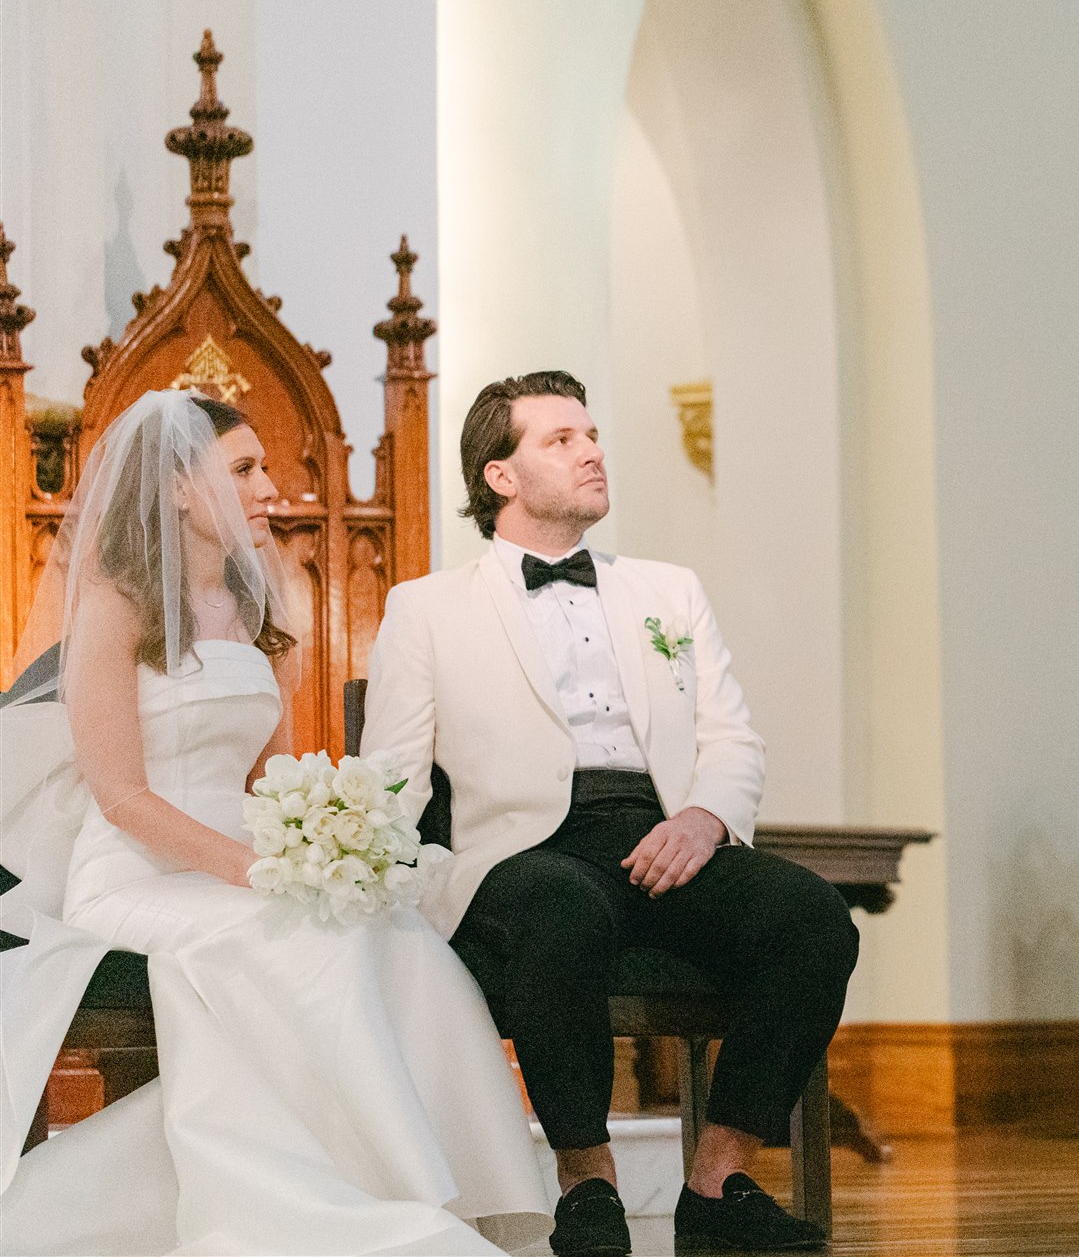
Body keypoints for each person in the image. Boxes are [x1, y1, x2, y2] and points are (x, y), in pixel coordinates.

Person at [0, 389, 548, 1255]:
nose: (271, 489)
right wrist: (250, 868)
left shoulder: (262, 610)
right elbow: (121, 797)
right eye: (245, 469)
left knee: (401, 939)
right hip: (135, 876)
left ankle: (421, 1189)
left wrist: (320, 838)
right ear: (180, 486)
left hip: (236, 869)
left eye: (269, 469)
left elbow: (273, 781)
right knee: (299, 939)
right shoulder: (117, 601)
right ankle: (315, 1205)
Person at [362, 370, 859, 1256]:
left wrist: (704, 819)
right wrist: (394, 900)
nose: (592, 450)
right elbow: (391, 777)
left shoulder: (670, 591)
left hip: (665, 833)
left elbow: (732, 738)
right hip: (522, 849)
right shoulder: (427, 608)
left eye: (591, 435)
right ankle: (586, 1185)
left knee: (813, 918)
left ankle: (716, 1181)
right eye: (560, 440)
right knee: (560, 910)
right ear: (500, 475)